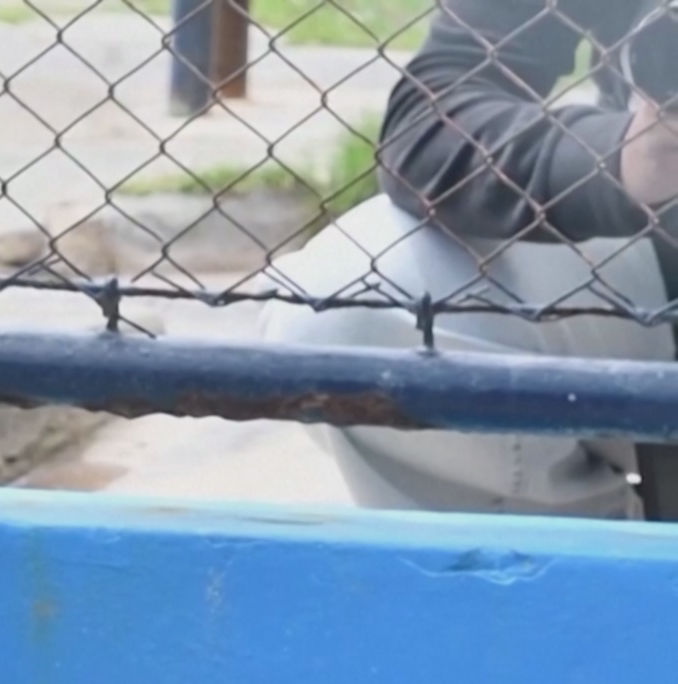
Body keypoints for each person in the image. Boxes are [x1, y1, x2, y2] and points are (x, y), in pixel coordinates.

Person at [257, 0, 678, 519]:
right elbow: (433, 111)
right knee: (352, 303)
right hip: (659, 266)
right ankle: (595, 577)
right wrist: (626, 159)